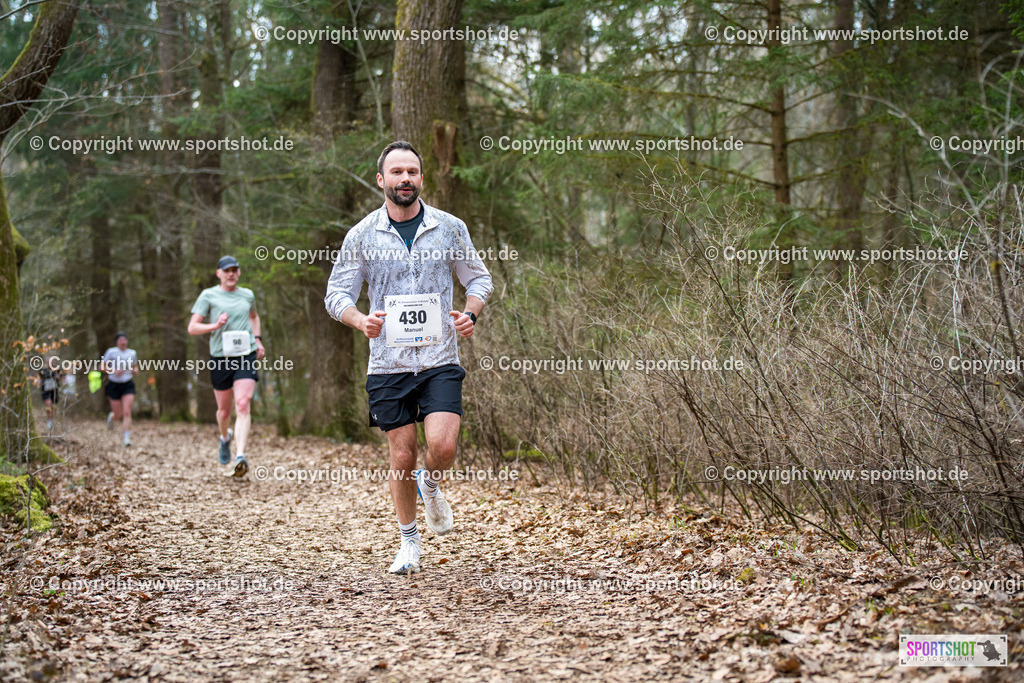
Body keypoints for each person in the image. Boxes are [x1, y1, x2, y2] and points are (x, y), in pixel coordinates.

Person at [325, 141, 493, 575]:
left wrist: (470, 313)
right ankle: (409, 542)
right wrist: (360, 320)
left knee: (443, 446)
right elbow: (336, 294)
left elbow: (478, 278)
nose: (405, 179)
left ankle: (430, 484)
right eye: (397, 172)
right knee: (401, 456)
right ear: (381, 180)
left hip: (439, 357)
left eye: (412, 172)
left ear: (421, 178)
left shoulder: (449, 227)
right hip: (387, 363)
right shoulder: (362, 235)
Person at [187, 255, 265, 477]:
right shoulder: (208, 295)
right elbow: (192, 328)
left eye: (234, 270)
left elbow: (254, 317)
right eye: (226, 271)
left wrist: (257, 339)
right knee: (224, 411)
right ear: (218, 273)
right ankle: (224, 437)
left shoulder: (247, 294)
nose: (230, 274)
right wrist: (215, 325)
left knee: (243, 403)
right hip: (221, 357)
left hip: (245, 354)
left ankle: (240, 456)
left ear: (238, 273)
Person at [102, 333, 138, 447]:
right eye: (120, 340)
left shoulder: (132, 353)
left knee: (127, 412)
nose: (123, 342)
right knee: (118, 415)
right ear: (117, 342)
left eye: (124, 340)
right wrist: (113, 371)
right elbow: (102, 366)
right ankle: (111, 417)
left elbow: (134, 366)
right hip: (114, 385)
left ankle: (127, 439)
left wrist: (135, 370)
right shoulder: (111, 352)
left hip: (128, 384)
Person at [37, 359, 63, 431]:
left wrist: (59, 377)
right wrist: (38, 382)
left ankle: (52, 419)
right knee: (48, 404)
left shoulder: (57, 370)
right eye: (49, 362)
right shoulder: (43, 371)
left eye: (52, 362)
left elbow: (62, 378)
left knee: (53, 407)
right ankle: (49, 420)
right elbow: (39, 378)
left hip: (54, 391)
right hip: (46, 391)